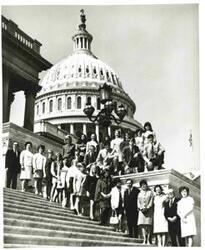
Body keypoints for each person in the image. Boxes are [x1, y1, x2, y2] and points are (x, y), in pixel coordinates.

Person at [137, 179, 154, 245]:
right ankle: (144, 240)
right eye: (142, 185)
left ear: (146, 185)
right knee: (143, 225)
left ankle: (148, 240)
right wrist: (140, 208)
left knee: (148, 225)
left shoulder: (150, 192)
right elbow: (138, 202)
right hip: (141, 211)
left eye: (144, 184)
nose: (143, 186)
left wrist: (147, 207)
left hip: (148, 210)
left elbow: (151, 201)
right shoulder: (139, 193)